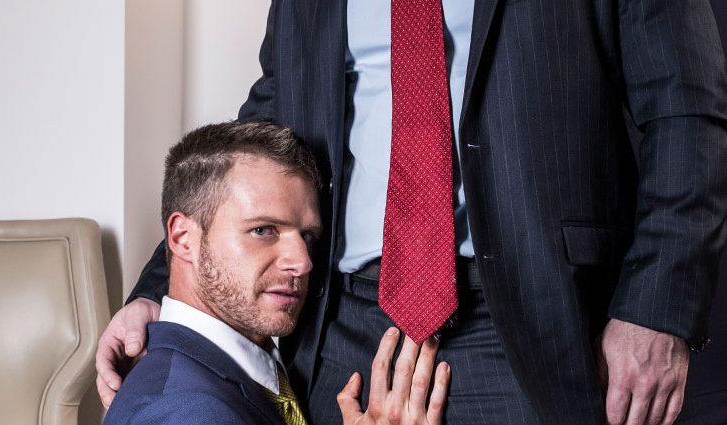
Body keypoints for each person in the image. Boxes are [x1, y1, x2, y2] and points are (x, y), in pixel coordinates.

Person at [98, 1, 727, 424]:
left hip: (534, 321)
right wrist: (165, 291)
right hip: (340, 323)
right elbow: (260, 133)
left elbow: (688, 114)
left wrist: (657, 310)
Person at [102, 121, 450, 425]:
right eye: (263, 230)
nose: (302, 262)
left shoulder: (234, 373)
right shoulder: (184, 412)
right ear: (183, 238)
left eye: (307, 236)